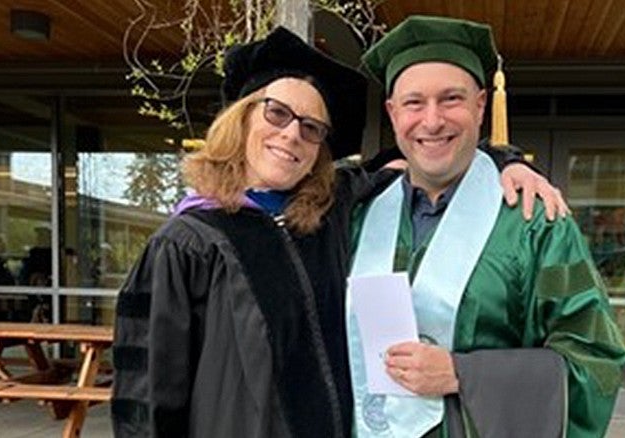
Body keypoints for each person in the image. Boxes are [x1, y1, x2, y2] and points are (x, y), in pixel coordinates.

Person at [111, 26, 567, 438]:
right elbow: (148, 398)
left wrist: (506, 164)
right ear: (242, 118)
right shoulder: (186, 243)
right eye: (276, 113)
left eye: (312, 128)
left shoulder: (334, 212)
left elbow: (430, 152)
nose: (292, 135)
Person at [346, 16, 625, 438]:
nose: (432, 120)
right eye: (413, 103)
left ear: (481, 105)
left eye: (451, 99)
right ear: (392, 112)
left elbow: (595, 363)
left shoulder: (535, 221)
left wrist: (464, 374)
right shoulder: (358, 215)